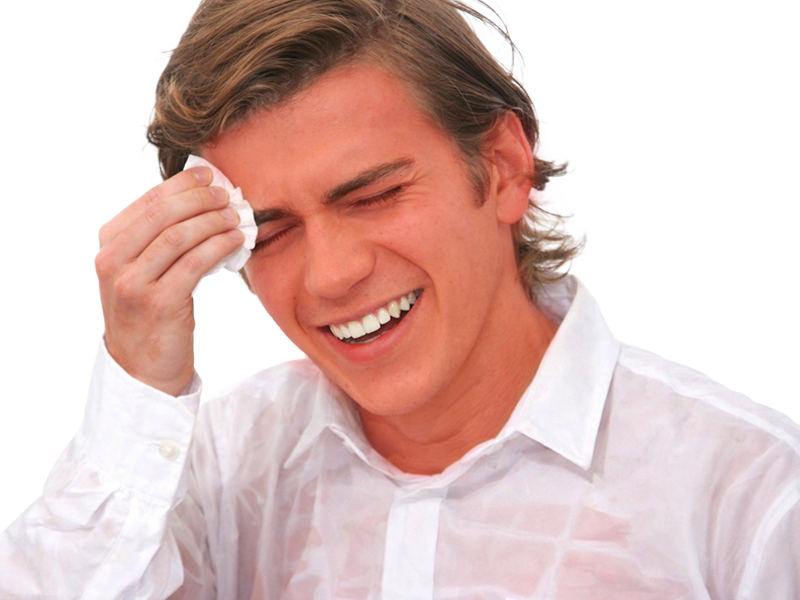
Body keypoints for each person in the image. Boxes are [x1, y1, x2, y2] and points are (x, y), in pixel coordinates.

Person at [1, 0, 798, 598]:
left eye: (374, 195)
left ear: (505, 166)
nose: (330, 275)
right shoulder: (204, 477)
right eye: (270, 231)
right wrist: (140, 382)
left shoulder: (750, 499)